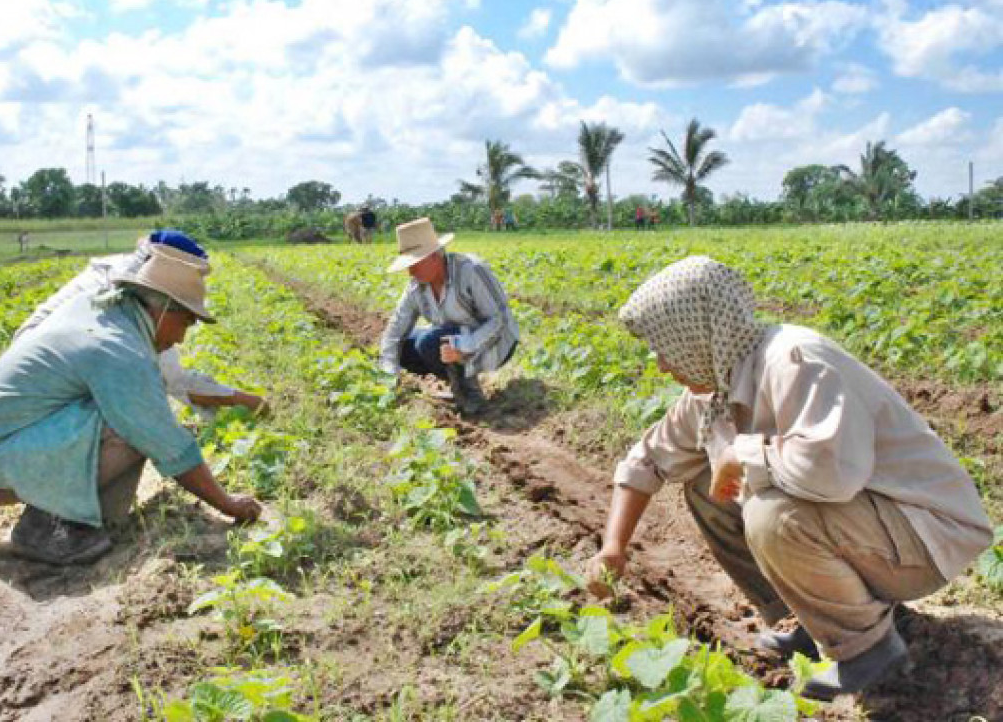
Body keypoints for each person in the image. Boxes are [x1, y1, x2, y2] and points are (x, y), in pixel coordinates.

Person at [585, 256, 992, 701]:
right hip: (873, 528)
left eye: (664, 345)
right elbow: (646, 461)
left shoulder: (797, 361)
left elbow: (832, 475)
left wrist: (742, 453)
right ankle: (806, 620)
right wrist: (613, 548)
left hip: (926, 538)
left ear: (696, 332)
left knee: (771, 512)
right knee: (706, 489)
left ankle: (867, 649)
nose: (661, 363)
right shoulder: (714, 387)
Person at [0, 250, 263, 566]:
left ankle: (85, 518)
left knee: (133, 415)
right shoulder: (118, 348)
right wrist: (227, 504)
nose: (181, 338)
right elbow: (167, 443)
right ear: (164, 308)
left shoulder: (102, 310)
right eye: (185, 323)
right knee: (136, 427)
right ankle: (47, 526)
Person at [16, 230, 266, 416]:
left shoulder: (129, 278)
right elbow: (173, 381)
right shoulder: (120, 296)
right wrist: (243, 400)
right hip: (40, 386)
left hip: (30, 369)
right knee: (133, 416)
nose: (181, 337)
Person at [379, 217, 518, 416]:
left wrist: (466, 344)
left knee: (429, 342)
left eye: (415, 263)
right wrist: (389, 374)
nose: (410, 271)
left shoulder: (471, 270)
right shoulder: (417, 286)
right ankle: (456, 377)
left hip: (497, 342)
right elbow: (395, 330)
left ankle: (470, 394)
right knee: (405, 346)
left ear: (435, 256)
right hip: (452, 340)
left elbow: (498, 320)